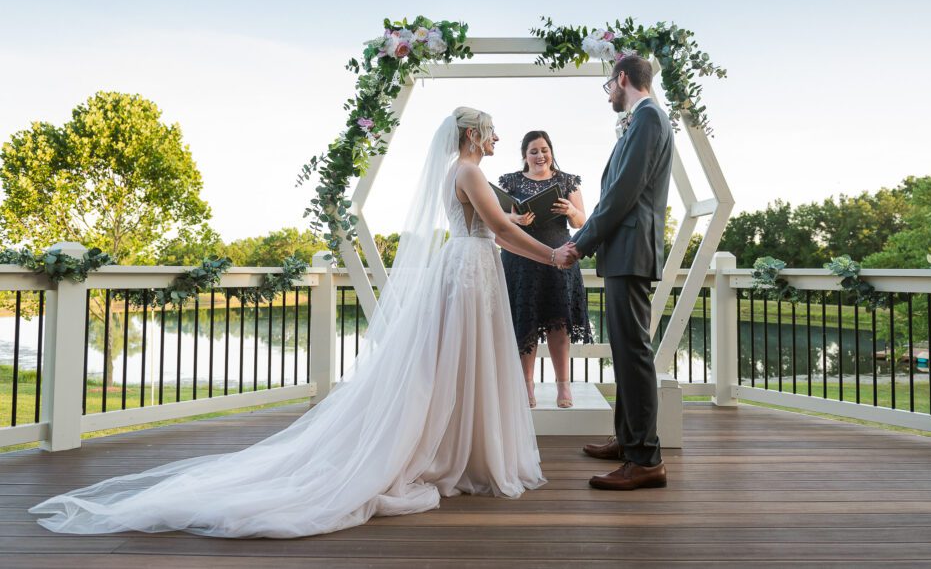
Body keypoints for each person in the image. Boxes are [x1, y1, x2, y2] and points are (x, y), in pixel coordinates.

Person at [30, 107, 576, 538]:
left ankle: (467, 450)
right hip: (470, 270)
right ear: (473, 134)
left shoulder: (466, 173)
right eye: (491, 132)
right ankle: (458, 454)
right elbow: (501, 232)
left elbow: (499, 229)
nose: (497, 139)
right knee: (461, 359)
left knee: (466, 362)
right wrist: (551, 254)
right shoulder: (469, 171)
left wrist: (525, 234)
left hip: (473, 267)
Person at [555, 56, 672, 491]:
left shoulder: (649, 118)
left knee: (634, 353)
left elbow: (623, 193)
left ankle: (645, 459)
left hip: (631, 251)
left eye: (609, 87)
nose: (610, 96)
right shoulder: (644, 119)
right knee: (625, 352)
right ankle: (628, 440)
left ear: (622, 79)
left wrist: (580, 243)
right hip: (625, 252)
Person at [499, 131, 591, 410]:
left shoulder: (567, 181)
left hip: (559, 261)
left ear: (551, 151)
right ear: (524, 155)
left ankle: (563, 384)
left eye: (544, 150)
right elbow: (497, 218)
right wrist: (515, 218)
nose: (540, 156)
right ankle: (526, 385)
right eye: (533, 151)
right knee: (525, 322)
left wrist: (570, 211)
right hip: (520, 262)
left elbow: (582, 222)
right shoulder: (510, 182)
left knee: (558, 322)